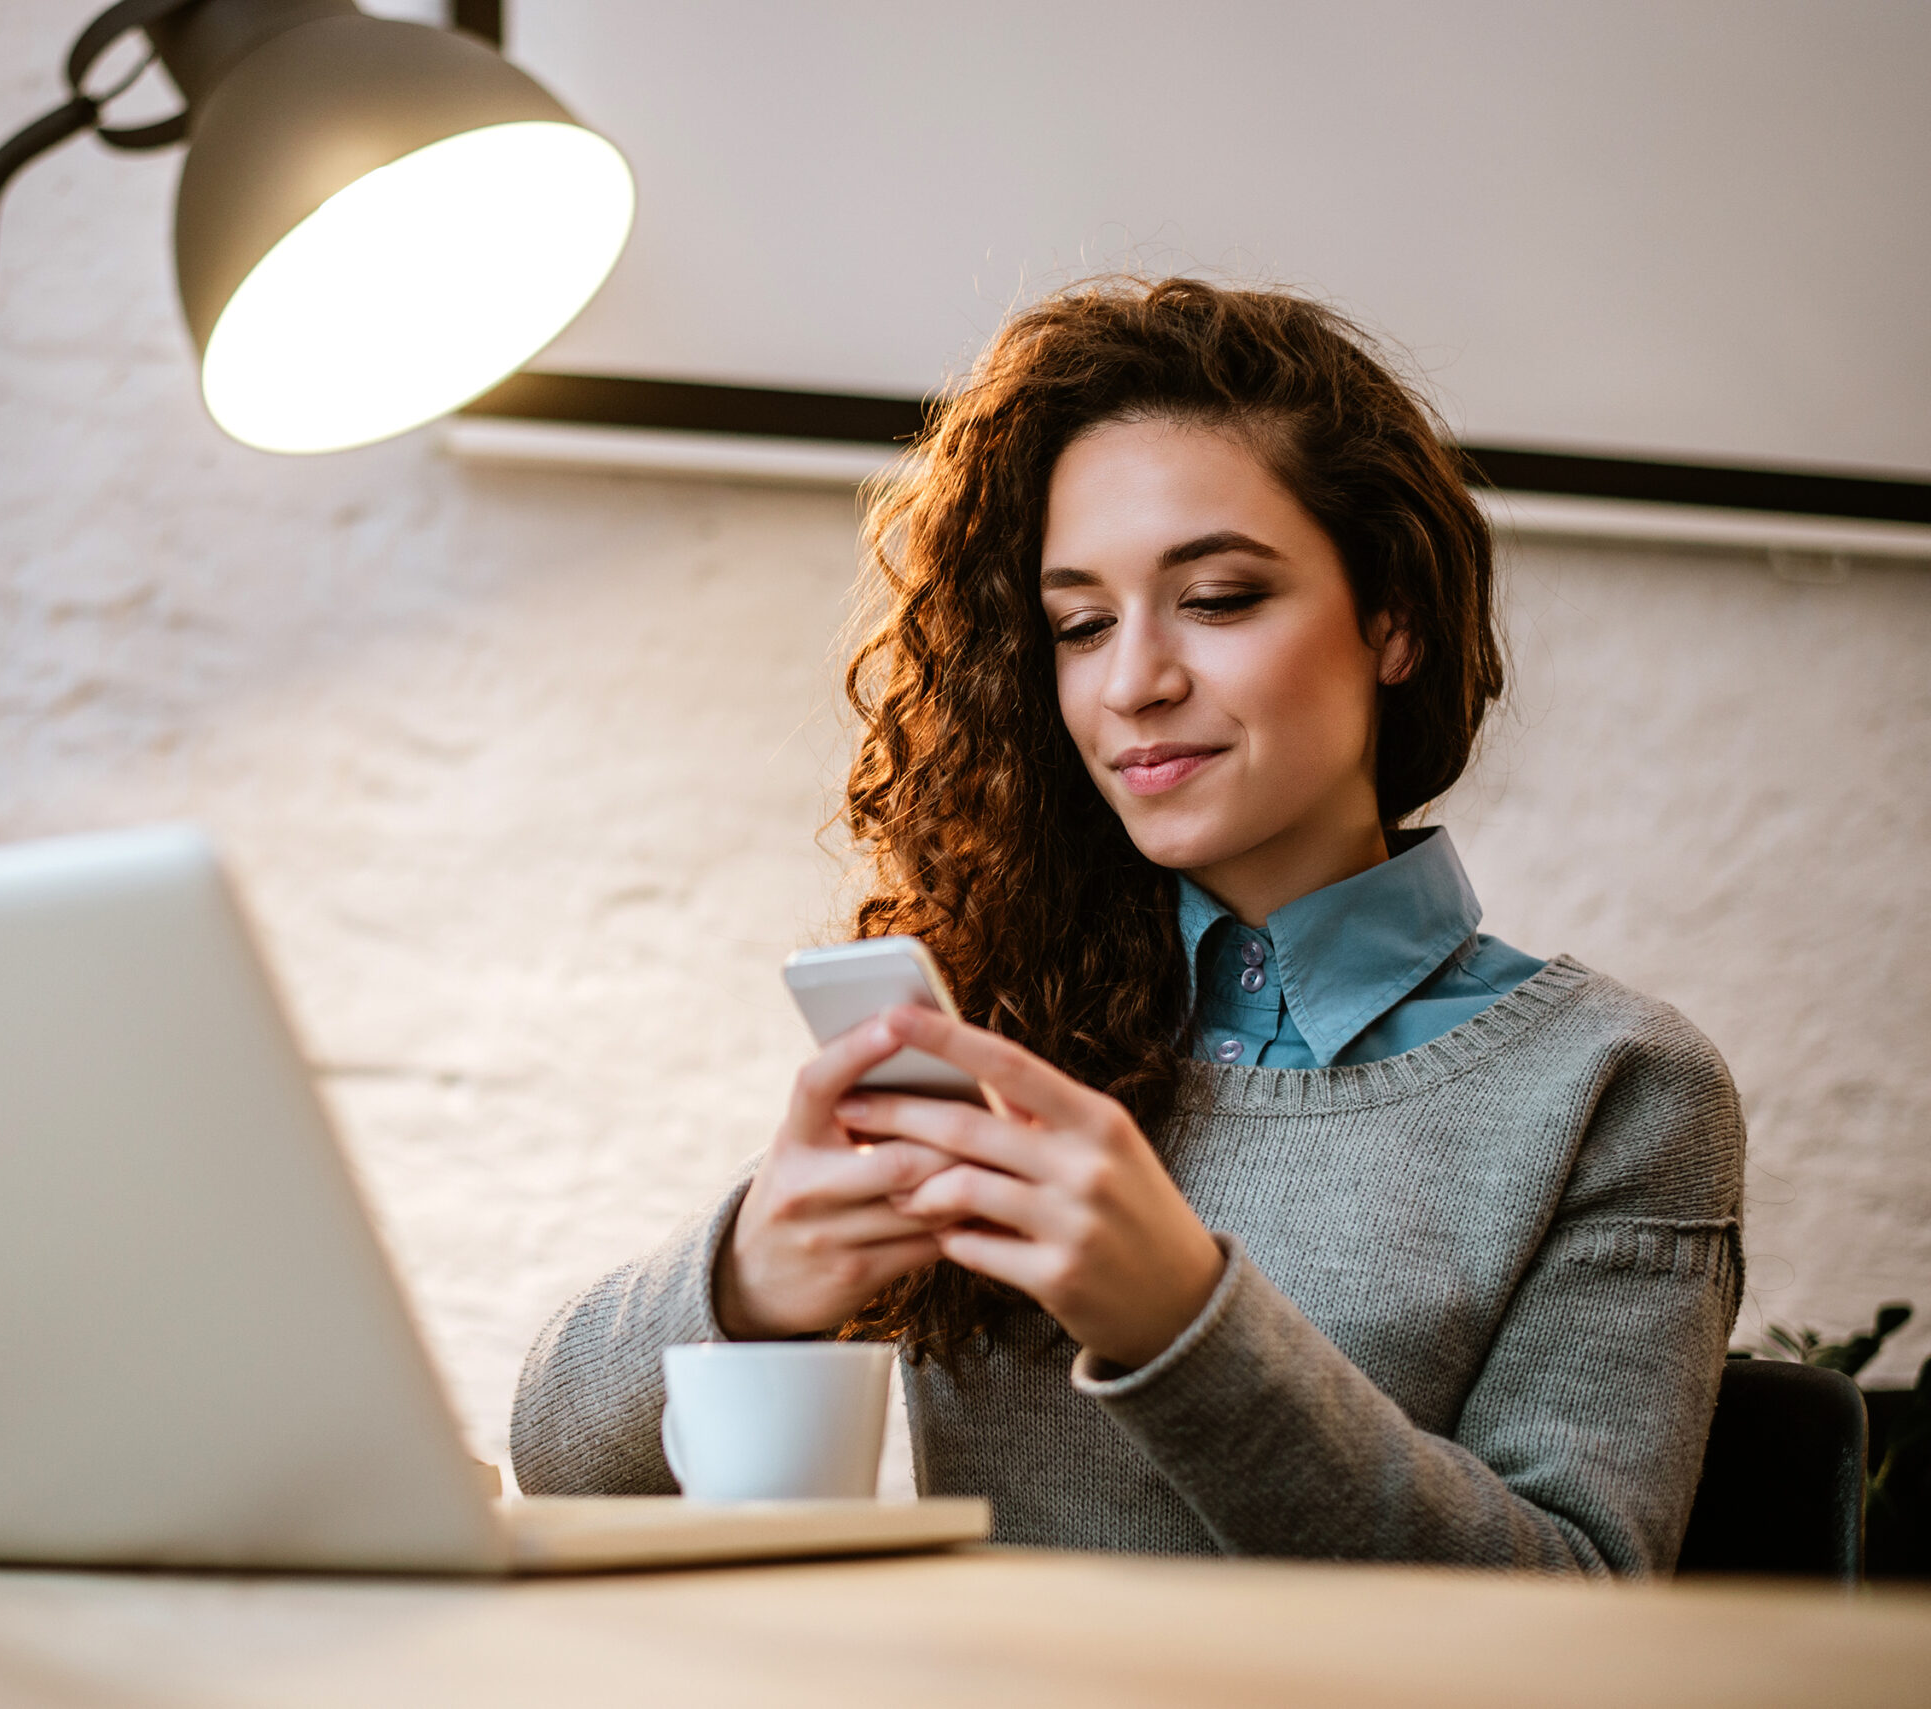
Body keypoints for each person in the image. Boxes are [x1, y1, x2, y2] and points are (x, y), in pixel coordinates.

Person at [509, 276, 1745, 1575]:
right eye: (1080, 624)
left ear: (1394, 618)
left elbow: (1583, 1619)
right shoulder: (1016, 1023)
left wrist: (1178, 1317)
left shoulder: (1618, 1087)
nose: (1134, 682)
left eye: (1216, 598)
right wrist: (748, 1278)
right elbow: (556, 1459)